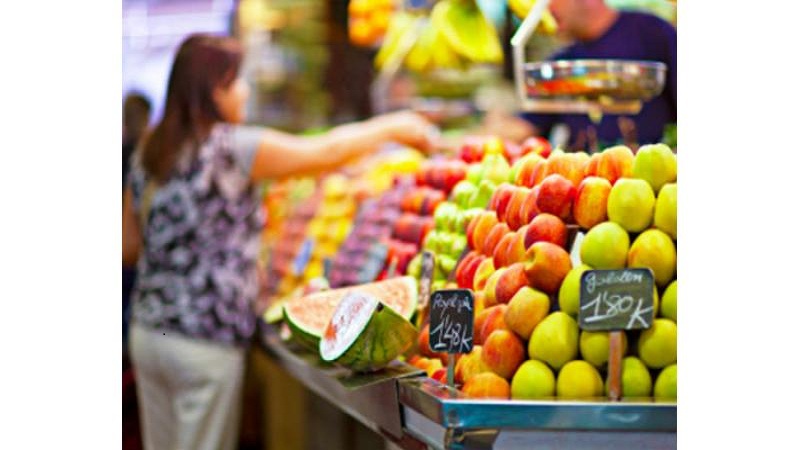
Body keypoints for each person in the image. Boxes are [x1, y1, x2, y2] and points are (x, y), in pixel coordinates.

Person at [122, 33, 437, 450]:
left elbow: (127, 246)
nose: (245, 91)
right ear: (214, 90)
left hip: (148, 332)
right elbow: (322, 152)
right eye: (237, 81)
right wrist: (396, 126)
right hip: (205, 339)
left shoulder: (149, 151)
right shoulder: (232, 147)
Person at [489, 0, 676, 150]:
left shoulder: (652, 33)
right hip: (583, 178)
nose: (547, 7)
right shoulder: (562, 64)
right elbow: (526, 126)